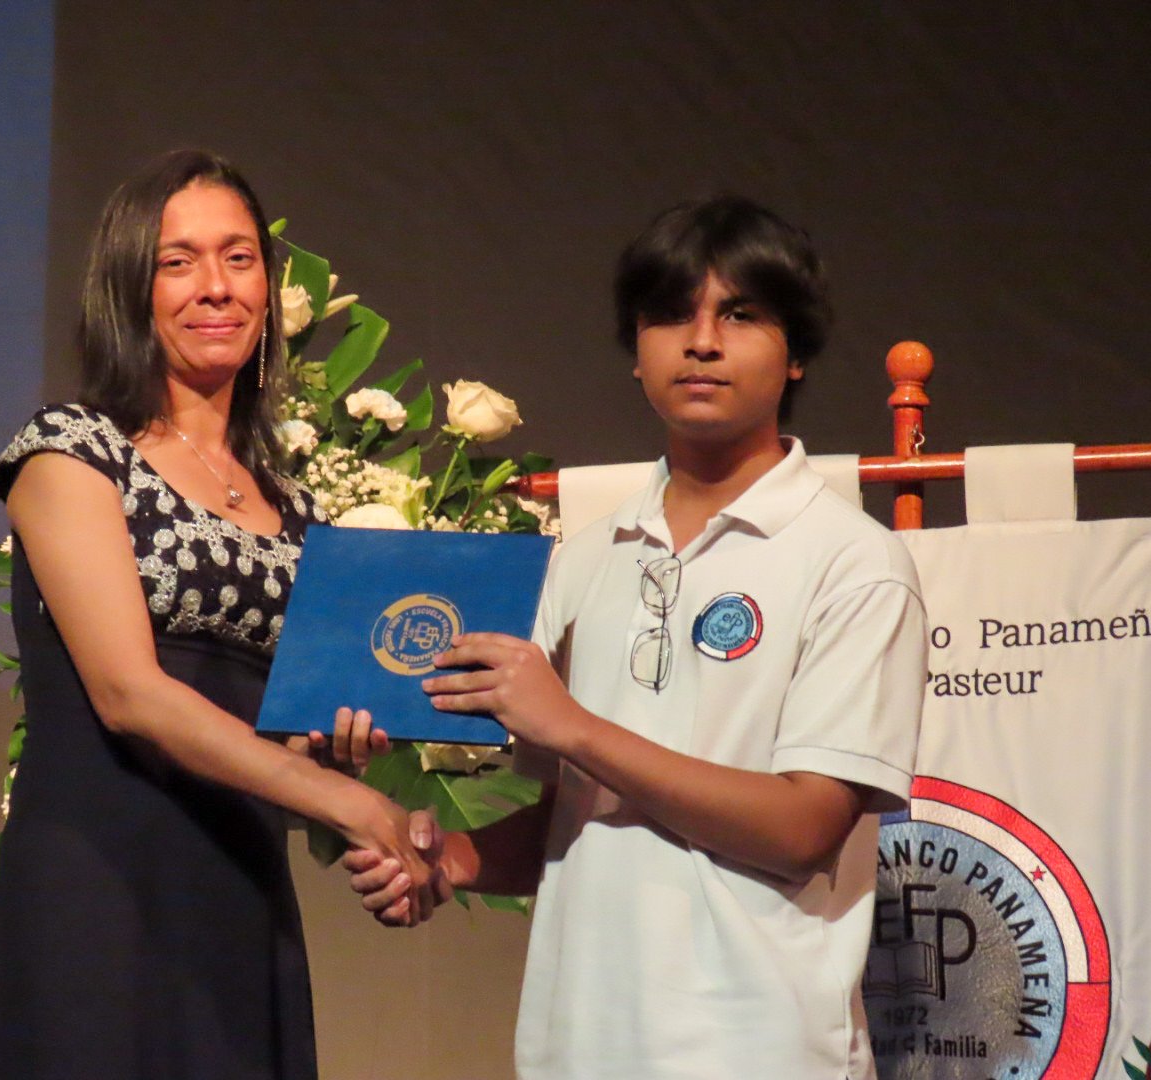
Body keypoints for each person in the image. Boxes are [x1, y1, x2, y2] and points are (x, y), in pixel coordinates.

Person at [346, 196, 928, 1078]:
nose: (702, 342)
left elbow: (805, 826)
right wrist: (450, 859)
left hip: (757, 1049)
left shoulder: (853, 561)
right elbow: (580, 814)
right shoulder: (585, 558)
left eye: (740, 315)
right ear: (635, 351)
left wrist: (575, 727)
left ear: (796, 352)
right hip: (577, 1044)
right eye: (671, 315)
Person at [0, 149, 433, 1080]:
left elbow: (267, 726)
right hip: (96, 891)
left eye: (239, 258)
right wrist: (348, 802)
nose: (216, 287)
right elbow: (131, 694)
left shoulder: (294, 506)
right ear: (130, 288)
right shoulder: (72, 454)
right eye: (178, 262)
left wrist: (334, 755)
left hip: (236, 898)